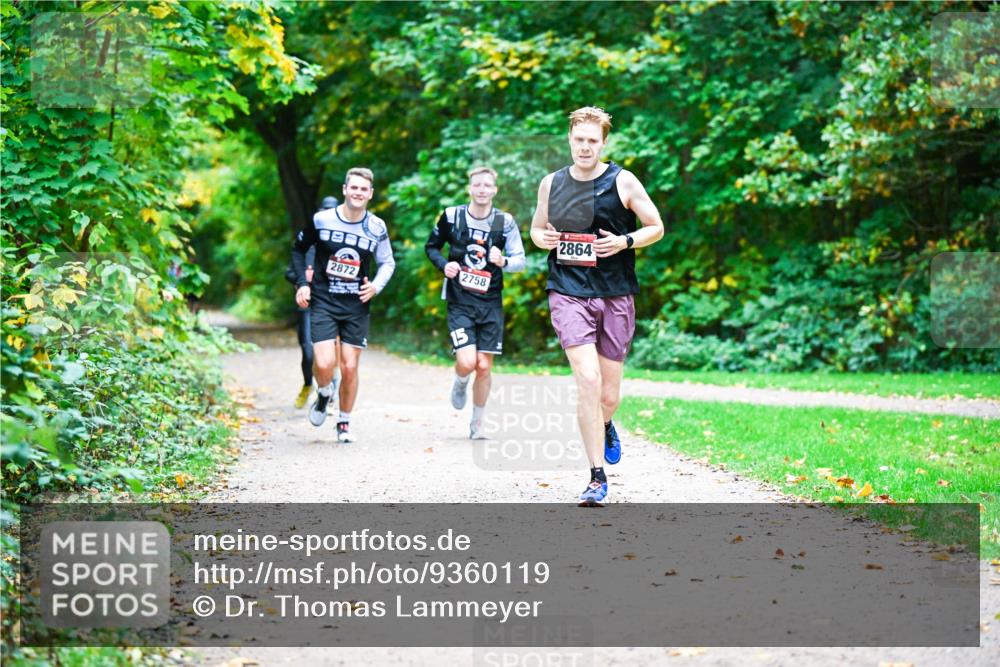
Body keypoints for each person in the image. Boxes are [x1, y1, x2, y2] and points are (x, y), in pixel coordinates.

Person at [529, 107, 664, 506]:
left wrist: (623, 242)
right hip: (568, 291)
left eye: (592, 140)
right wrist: (545, 240)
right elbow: (537, 229)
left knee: (608, 394)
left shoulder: (622, 181)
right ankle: (595, 476)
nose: (585, 146)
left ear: (603, 143)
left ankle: (605, 422)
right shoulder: (551, 184)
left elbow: (655, 226)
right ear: (569, 139)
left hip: (615, 294)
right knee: (586, 380)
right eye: (578, 139)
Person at [291, 169, 395, 442]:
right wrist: (303, 283)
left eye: (364, 189)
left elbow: (388, 262)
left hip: (356, 304)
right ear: (345, 189)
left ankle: (345, 423)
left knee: (350, 367)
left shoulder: (376, 227)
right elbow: (298, 250)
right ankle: (324, 393)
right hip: (324, 299)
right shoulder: (323, 220)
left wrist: (375, 286)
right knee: (323, 362)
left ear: (370, 194)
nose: (358, 193)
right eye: (354, 188)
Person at [425, 167, 526, 438]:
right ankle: (460, 381)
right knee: (468, 362)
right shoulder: (453, 216)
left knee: (484, 366)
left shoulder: (503, 222)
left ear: (495, 190)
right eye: (477, 185)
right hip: (459, 301)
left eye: (487, 186)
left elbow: (520, 260)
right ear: (470, 189)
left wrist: (502, 261)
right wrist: (444, 265)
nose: (482, 189)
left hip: (490, 302)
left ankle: (477, 423)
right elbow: (431, 247)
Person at [284, 196, 337, 408]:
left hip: (334, 305)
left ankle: (329, 389)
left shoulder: (340, 242)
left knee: (331, 353)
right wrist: (302, 280)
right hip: (307, 305)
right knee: (308, 352)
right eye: (324, 210)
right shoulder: (307, 242)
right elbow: (289, 271)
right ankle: (308, 384)